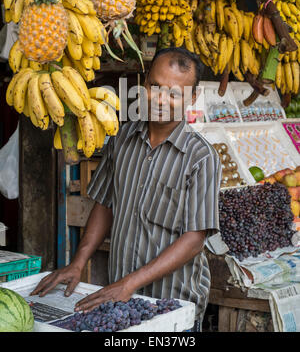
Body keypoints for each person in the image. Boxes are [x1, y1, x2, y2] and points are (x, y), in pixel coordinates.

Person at [31, 47, 221, 331]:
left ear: (191, 98)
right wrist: (78, 262)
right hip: (121, 301)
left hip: (171, 304)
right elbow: (105, 204)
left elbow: (194, 239)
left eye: (174, 94)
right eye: (155, 87)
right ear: (144, 85)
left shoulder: (201, 157)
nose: (161, 100)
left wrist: (130, 282)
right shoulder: (122, 138)